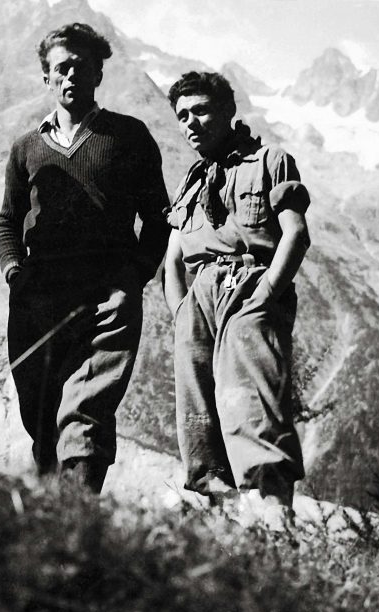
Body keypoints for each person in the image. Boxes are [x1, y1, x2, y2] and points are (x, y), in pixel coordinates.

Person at [0, 23, 171, 492]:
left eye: (80, 66)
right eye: (60, 68)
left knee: (86, 411)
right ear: (46, 78)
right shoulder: (26, 148)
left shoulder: (129, 137)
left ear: (97, 73)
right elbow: (8, 222)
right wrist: (15, 273)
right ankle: (51, 524)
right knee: (41, 413)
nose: (70, 75)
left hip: (106, 295)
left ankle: (80, 516)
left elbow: (158, 218)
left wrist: (133, 276)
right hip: (37, 297)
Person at [162, 71, 311, 523]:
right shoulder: (190, 185)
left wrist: (266, 294)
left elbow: (296, 234)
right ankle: (227, 530)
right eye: (183, 115)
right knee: (200, 422)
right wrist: (182, 312)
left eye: (202, 110)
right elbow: (170, 263)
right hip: (198, 305)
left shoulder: (270, 160)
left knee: (254, 409)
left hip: (249, 291)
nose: (192, 122)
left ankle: (275, 526)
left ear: (228, 110)